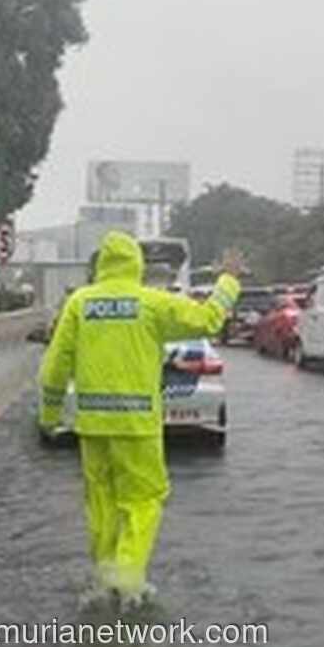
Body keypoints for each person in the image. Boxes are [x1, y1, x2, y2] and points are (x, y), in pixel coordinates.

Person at [38, 231, 243, 609]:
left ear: (100, 265)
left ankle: (103, 577)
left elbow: (54, 366)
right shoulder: (151, 303)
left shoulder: (79, 304)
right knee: (143, 499)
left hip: (93, 426)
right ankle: (128, 581)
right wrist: (229, 280)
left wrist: (49, 417)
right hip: (136, 426)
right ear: (136, 264)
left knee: (101, 501)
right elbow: (209, 320)